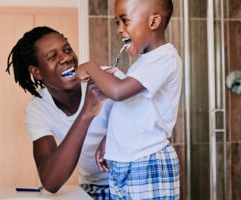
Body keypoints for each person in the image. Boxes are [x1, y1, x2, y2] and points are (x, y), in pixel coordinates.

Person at [77, 0, 182, 199]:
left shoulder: (165, 56)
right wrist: (111, 140)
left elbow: (118, 92)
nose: (119, 29)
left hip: (147, 161)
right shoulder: (143, 62)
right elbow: (134, 109)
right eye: (117, 22)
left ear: (153, 22)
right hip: (126, 161)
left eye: (125, 21)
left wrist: (91, 67)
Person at [6, 26, 112, 200]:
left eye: (67, 49)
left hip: (133, 180)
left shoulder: (105, 77)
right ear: (37, 72)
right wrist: (87, 112)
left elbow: (145, 120)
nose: (66, 58)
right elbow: (51, 181)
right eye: (53, 56)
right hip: (93, 187)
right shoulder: (38, 109)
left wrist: (113, 137)